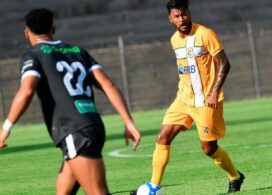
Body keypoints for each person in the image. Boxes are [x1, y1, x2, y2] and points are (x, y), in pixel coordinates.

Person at [0, 8, 141, 195]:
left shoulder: (33, 55)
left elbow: (26, 91)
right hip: (91, 125)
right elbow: (108, 85)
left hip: (74, 130)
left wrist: (5, 129)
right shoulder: (78, 51)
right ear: (53, 29)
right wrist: (128, 122)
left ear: (27, 33)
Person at [132, 0, 245, 194]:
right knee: (163, 137)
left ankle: (235, 176)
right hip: (183, 100)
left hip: (206, 102)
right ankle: (153, 186)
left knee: (209, 148)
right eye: (177, 16)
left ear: (189, 13)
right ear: (170, 19)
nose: (182, 19)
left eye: (184, 14)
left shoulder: (205, 34)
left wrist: (214, 92)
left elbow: (225, 64)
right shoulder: (174, 40)